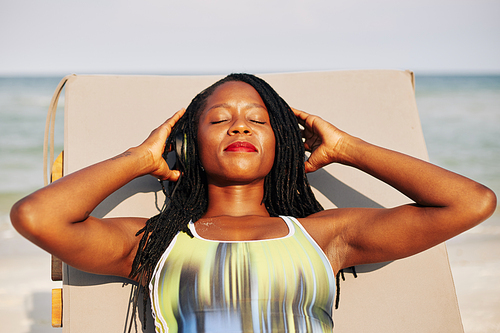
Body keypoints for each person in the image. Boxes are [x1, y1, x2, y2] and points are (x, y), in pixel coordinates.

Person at [10, 73, 496, 332]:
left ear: (282, 142)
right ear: (188, 146)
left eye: (258, 120)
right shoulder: (155, 244)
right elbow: (35, 216)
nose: (239, 126)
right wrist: (140, 158)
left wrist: (348, 149)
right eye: (219, 119)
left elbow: (471, 203)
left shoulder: (326, 236)